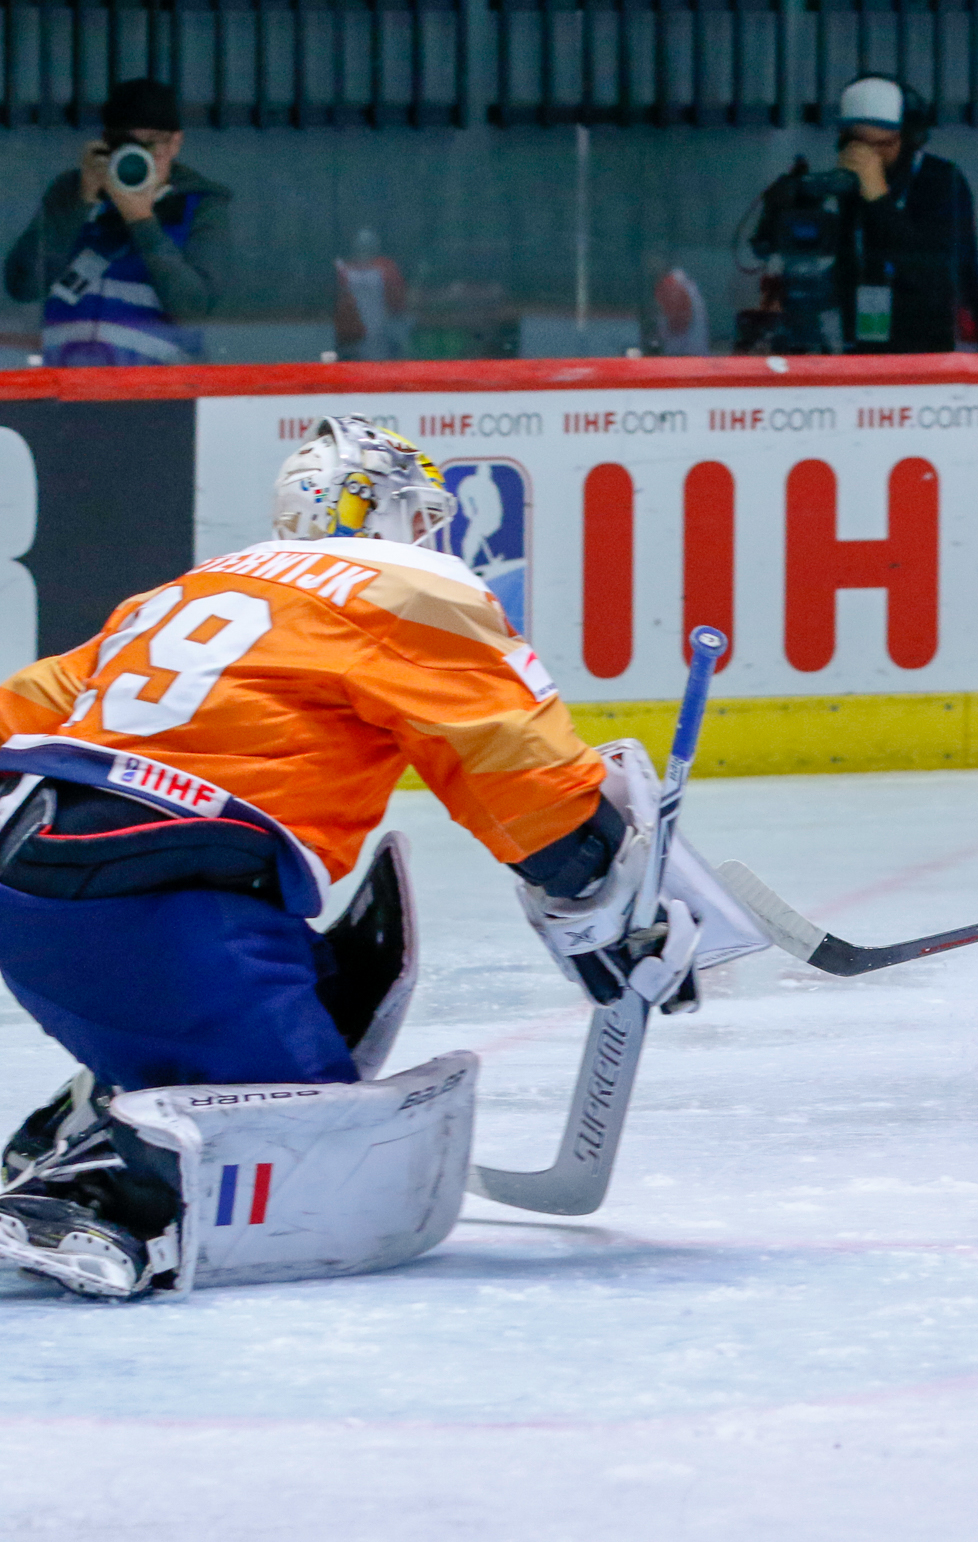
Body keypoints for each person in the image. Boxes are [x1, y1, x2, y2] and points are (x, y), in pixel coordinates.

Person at [0, 418, 752, 1299]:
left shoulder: (189, 589)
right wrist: (603, 889)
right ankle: (107, 1194)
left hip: (30, 876)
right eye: (417, 514)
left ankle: (100, 1109)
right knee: (308, 1135)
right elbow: (506, 750)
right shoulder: (409, 587)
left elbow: (27, 707)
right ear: (381, 508)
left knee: (327, 999)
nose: (431, 537)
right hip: (166, 894)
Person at [4, 78, 230, 366]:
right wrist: (79, 202)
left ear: (176, 143)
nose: (139, 157)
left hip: (157, 392)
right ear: (105, 142)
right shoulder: (72, 191)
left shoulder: (201, 205)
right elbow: (22, 286)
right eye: (126, 145)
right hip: (66, 387)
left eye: (151, 145)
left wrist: (142, 220)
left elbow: (194, 311)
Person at [831, 75, 978, 353]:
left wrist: (879, 199)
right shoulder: (848, 187)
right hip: (865, 343)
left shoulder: (940, 180)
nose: (871, 158)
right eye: (860, 146)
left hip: (929, 347)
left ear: (908, 139)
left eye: (883, 145)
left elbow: (931, 274)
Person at [333, 227, 409, 362]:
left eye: (368, 244)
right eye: (361, 244)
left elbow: (398, 302)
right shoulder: (342, 268)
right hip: (351, 339)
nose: (364, 248)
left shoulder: (387, 268)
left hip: (382, 336)